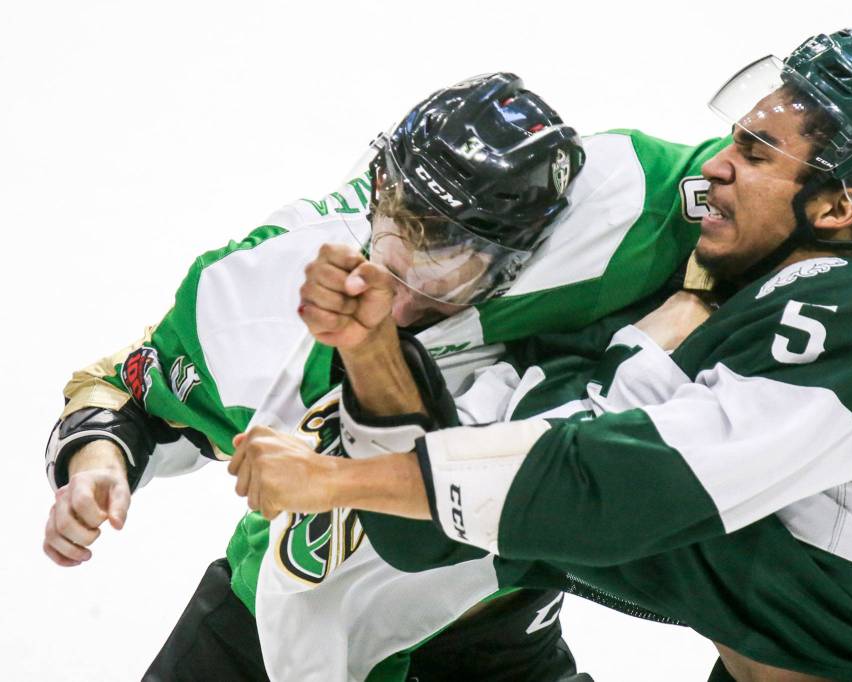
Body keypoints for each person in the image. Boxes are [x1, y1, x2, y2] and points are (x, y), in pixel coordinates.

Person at [231, 30, 852, 680]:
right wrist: (371, 349)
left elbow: (623, 487)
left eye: (757, 152)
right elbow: (429, 525)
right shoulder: (659, 325)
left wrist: (337, 477)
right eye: (734, 137)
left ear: (837, 208)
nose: (717, 167)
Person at [43, 72, 727, 681]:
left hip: (490, 610)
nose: (401, 296)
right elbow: (126, 388)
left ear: (523, 251)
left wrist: (701, 293)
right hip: (288, 611)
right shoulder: (261, 286)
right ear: (378, 189)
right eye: (398, 235)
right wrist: (97, 463)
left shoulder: (617, 208)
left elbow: (772, 177)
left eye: (449, 269)